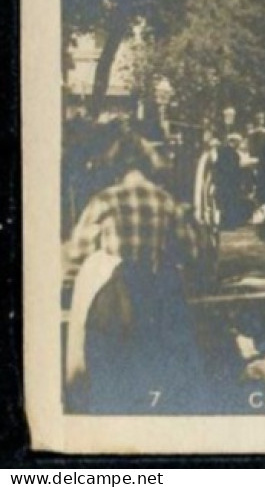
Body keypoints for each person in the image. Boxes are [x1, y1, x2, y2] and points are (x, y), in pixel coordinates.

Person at [64, 128, 205, 412]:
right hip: (153, 293)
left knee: (110, 363)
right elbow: (191, 250)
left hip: (112, 295)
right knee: (147, 359)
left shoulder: (104, 200)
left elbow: (77, 251)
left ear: (117, 165)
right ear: (148, 165)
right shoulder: (165, 200)